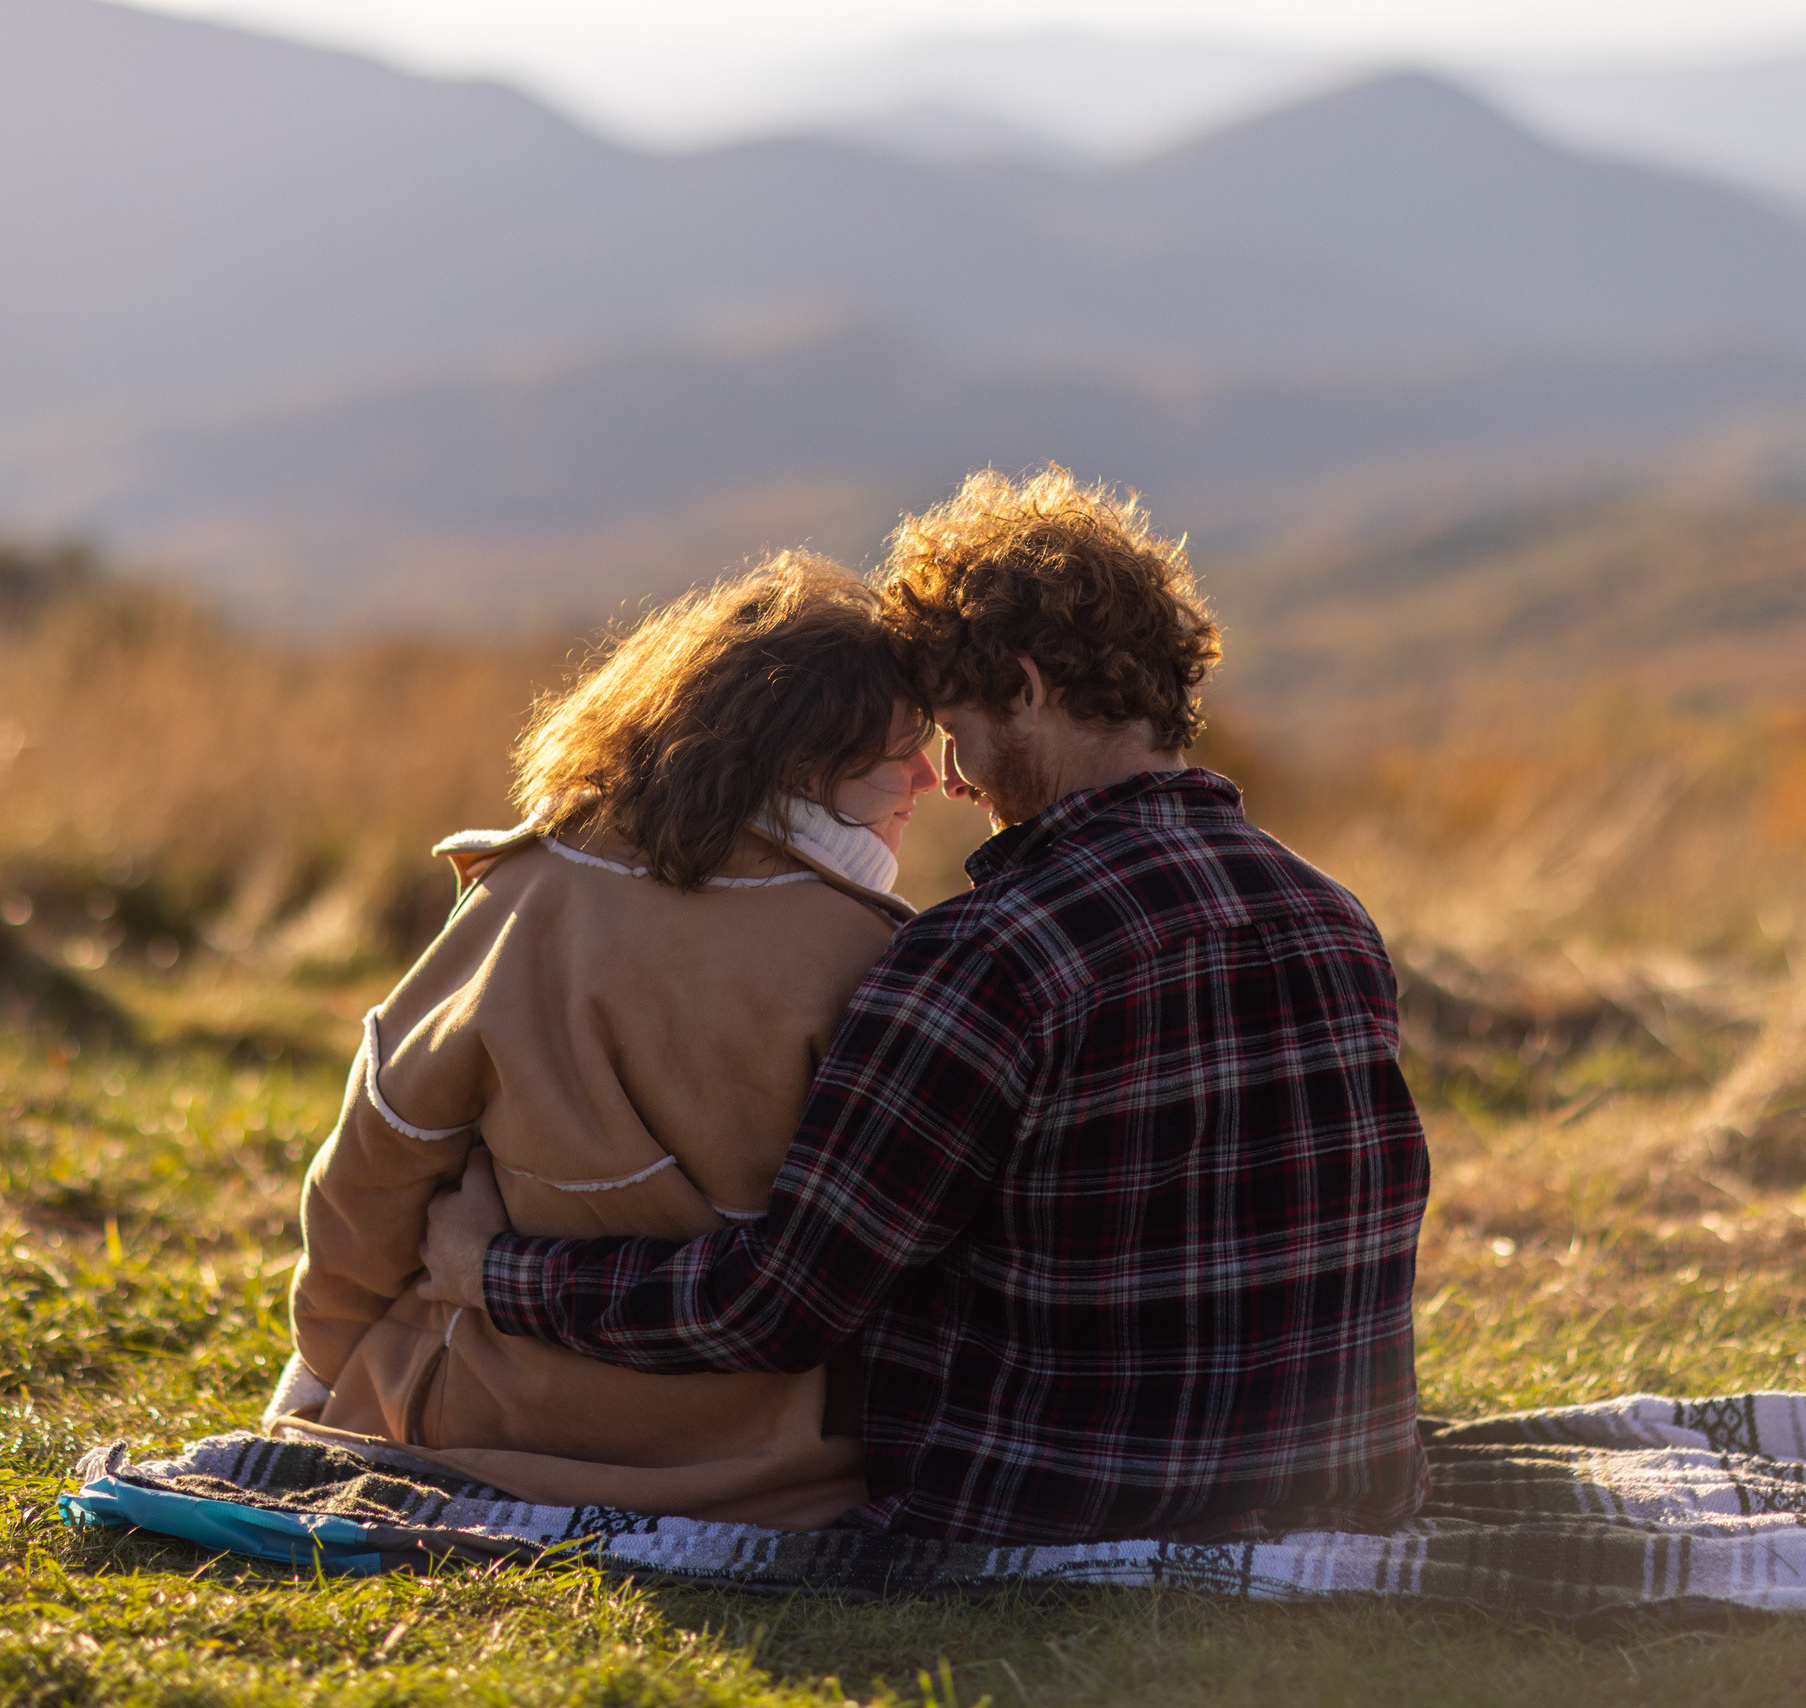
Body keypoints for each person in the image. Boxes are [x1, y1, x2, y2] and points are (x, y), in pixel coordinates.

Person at [419, 466, 1431, 1546]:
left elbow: (773, 1304)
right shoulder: (1329, 914)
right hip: (1339, 1487)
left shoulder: (987, 956)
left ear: (1030, 688)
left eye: (953, 727)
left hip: (1052, 1503)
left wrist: (492, 1269)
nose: (947, 778)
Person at [268, 553, 940, 1530]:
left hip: (487, 1434)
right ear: (803, 763)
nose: (932, 774)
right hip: (771, 1476)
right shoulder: (882, 953)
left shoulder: (526, 894)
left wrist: (328, 1364)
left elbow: (375, 1168)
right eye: (899, 749)